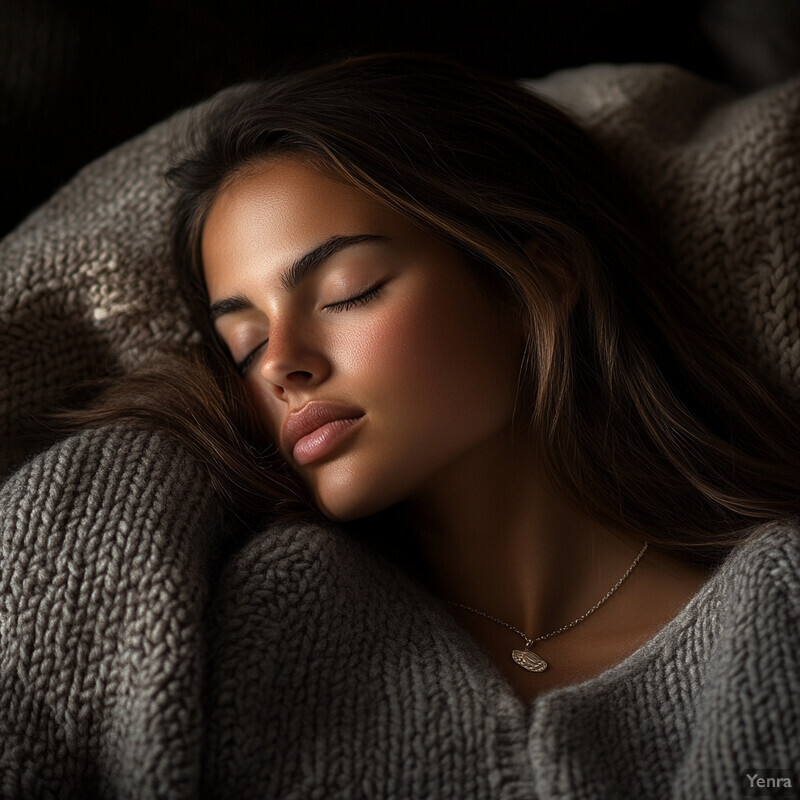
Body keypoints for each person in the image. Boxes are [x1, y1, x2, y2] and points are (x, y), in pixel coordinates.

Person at [5, 53, 799, 797]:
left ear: (536, 281)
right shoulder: (222, 620)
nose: (282, 364)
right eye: (242, 343)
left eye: (347, 291)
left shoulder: (777, 611)